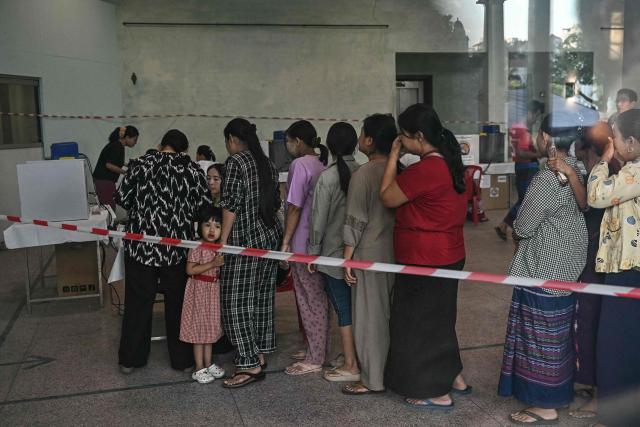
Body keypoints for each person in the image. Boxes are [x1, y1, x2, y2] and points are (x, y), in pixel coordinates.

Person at [498, 113, 588, 424]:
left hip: (545, 265)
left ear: (547, 138)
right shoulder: (577, 169)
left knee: (540, 336)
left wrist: (516, 233)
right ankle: (558, 393)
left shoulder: (546, 179)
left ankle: (543, 404)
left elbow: (523, 224)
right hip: (569, 263)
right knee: (558, 334)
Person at [381, 104, 469, 409]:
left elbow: (387, 196)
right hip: (450, 253)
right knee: (441, 320)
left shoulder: (426, 170)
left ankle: (433, 390)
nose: (401, 141)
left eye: (403, 137)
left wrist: (393, 156)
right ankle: (453, 376)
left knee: (417, 324)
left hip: (425, 257)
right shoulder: (451, 163)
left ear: (419, 136)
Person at [116, 129, 210, 374]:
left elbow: (123, 198)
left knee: (138, 303)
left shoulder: (140, 164)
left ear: (161, 145)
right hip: (176, 249)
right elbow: (203, 208)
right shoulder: (192, 170)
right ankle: (182, 360)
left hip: (141, 246)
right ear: (184, 149)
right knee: (177, 304)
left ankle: (131, 360)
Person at [218, 118, 282, 388]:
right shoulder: (266, 162)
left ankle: (248, 363)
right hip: (268, 239)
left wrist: (222, 242)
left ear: (232, 139)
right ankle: (258, 352)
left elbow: (230, 204)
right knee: (260, 298)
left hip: (244, 242)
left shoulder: (236, 162)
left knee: (235, 303)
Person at [587, 109, 640, 427]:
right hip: (629, 267)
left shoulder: (634, 173)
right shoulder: (632, 170)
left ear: (631, 142)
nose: (613, 144)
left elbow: (596, 196)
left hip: (628, 270)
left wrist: (604, 161)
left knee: (615, 345)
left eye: (616, 139)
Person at [340, 114, 396, 395]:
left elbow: (355, 219)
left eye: (363, 134)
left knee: (370, 319)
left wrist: (347, 257)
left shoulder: (363, 174)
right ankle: (388, 372)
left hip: (367, 253)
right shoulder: (398, 169)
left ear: (370, 140)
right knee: (388, 316)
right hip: (395, 253)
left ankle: (372, 379)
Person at [307, 122, 360, 383]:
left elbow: (318, 221)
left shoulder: (327, 177)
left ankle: (351, 364)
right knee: (355, 307)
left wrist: (312, 254)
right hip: (360, 253)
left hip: (332, 253)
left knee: (343, 309)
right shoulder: (362, 171)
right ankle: (353, 354)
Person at [281, 120, 329, 376]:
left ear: (298, 141)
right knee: (315, 299)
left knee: (310, 301)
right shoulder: (320, 164)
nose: (287, 147)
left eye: (288, 141)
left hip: (301, 242)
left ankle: (315, 356)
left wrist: (286, 240)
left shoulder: (300, 164)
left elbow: (294, 207)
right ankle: (315, 346)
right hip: (317, 242)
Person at [179, 205, 226, 384]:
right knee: (199, 329)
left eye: (217, 226)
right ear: (200, 226)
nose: (212, 230)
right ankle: (199, 367)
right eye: (207, 225)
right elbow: (190, 269)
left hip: (212, 291)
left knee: (210, 327)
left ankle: (209, 363)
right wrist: (213, 264)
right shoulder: (197, 246)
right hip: (198, 289)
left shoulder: (219, 247)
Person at [495, 101, 544, 241]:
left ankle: (504, 225)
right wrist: (540, 154)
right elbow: (522, 152)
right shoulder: (522, 130)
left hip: (523, 167)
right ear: (530, 113)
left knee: (524, 200)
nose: (535, 120)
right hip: (527, 168)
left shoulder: (517, 128)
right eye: (536, 116)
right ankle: (508, 226)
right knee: (527, 201)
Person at [93, 125, 139, 208]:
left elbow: (116, 161)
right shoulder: (117, 146)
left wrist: (129, 164)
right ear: (127, 137)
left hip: (103, 181)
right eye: (135, 140)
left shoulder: (117, 145)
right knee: (109, 208)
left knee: (109, 206)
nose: (135, 142)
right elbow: (109, 165)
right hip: (104, 181)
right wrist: (126, 172)